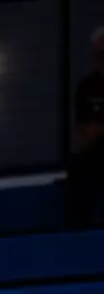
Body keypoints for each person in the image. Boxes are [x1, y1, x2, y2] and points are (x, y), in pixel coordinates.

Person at [65, 27, 104, 228]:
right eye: (98, 55)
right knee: (79, 168)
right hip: (95, 154)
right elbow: (85, 133)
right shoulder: (86, 87)